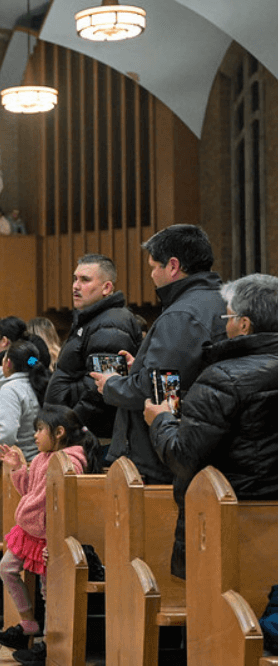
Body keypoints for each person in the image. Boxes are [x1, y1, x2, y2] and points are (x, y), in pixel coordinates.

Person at [144, 273, 278, 579]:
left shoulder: (223, 378)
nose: (224, 325)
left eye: (227, 316)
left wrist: (161, 419)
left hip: (229, 521)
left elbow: (183, 456)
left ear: (244, 324)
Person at [92, 224, 226, 483]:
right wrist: (141, 369)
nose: (152, 274)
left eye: (154, 266)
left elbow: (161, 390)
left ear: (173, 266)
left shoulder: (182, 314)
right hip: (203, 443)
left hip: (163, 456)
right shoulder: (222, 301)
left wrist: (112, 385)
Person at [0, 405, 97, 652]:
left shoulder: (71, 463)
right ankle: (28, 624)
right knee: (6, 568)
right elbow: (29, 492)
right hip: (30, 533)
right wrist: (18, 468)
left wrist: (56, 542)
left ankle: (49, 646)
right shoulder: (41, 458)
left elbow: (67, 509)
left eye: (39, 430)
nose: (35, 436)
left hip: (52, 537)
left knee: (50, 592)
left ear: (59, 432)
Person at [45, 254, 142, 440]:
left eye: (85, 280)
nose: (76, 286)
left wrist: (71, 429)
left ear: (107, 288)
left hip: (92, 438)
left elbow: (99, 392)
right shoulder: (91, 320)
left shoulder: (112, 323)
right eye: (75, 279)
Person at [0, 337, 52, 464]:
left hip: (15, 465)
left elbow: (6, 433)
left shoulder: (11, 390)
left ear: (8, 363)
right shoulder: (36, 385)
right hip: (33, 460)